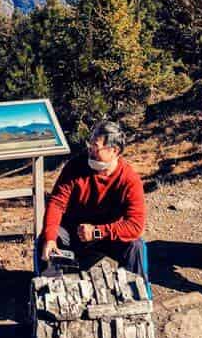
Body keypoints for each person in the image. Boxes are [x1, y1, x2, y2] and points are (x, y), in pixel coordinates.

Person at [37, 120, 150, 289]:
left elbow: (135, 225)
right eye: (90, 145)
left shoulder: (129, 179)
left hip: (105, 234)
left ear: (114, 151)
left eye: (95, 148)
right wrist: (50, 238)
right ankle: (47, 292)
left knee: (135, 245)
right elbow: (57, 203)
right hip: (73, 231)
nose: (90, 151)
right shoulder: (76, 166)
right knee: (46, 239)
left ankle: (137, 294)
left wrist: (97, 232)